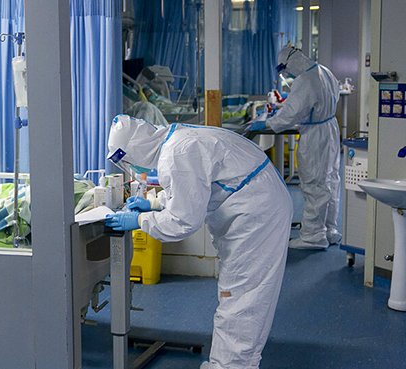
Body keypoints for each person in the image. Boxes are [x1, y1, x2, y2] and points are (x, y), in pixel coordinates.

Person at [105, 115, 293, 369]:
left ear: (135, 148)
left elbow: (183, 222)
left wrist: (141, 221)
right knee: (242, 294)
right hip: (256, 205)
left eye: (126, 159)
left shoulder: (176, 154)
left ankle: (231, 366)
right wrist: (155, 203)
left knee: (240, 295)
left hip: (256, 215)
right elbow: (194, 188)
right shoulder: (174, 141)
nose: (130, 166)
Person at [245, 44, 341, 250]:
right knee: (330, 180)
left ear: (291, 62)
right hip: (330, 128)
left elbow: (289, 115)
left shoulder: (305, 80)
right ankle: (329, 230)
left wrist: (268, 123)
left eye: (285, 69)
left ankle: (313, 236)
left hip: (316, 135)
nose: (287, 74)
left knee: (314, 183)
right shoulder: (324, 71)